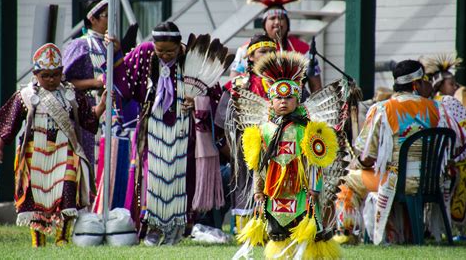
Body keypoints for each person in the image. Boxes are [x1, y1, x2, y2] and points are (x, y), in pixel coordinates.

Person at [106, 21, 225, 246]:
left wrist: (197, 101)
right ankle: (152, 227)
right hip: (153, 129)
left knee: (180, 179)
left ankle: (176, 228)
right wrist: (116, 54)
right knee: (153, 177)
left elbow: (213, 92)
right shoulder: (145, 53)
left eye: (170, 51)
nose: (165, 56)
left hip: (183, 130)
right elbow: (126, 85)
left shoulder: (190, 57)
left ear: (179, 47)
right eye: (160, 51)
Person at [333, 60, 466, 245]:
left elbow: (367, 157)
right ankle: (403, 234)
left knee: (346, 179)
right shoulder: (439, 109)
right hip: (433, 181)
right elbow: (459, 146)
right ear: (415, 84)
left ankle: (345, 232)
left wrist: (362, 163)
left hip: (395, 182)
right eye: (423, 81)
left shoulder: (382, 109)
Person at [0, 43, 106, 247]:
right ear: (36, 73)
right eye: (45, 75)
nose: (50, 79)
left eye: (55, 74)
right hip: (34, 152)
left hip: (65, 150)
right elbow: (8, 123)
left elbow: (88, 120)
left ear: (62, 72)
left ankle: (62, 238)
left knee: (67, 188)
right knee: (35, 194)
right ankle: (38, 240)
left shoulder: (71, 94)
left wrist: (101, 106)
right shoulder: (25, 96)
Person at [234, 51, 341, 259]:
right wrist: (258, 189)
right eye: (279, 98)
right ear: (271, 100)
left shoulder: (307, 129)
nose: (283, 102)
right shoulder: (263, 130)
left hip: (301, 189)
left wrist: (314, 187)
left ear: (298, 99)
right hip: (274, 190)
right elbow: (258, 164)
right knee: (278, 230)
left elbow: (314, 162)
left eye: (289, 98)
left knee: (305, 227)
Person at [63, 0, 138, 211]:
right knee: (89, 160)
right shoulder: (80, 45)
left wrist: (117, 52)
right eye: (106, 16)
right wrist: (97, 82)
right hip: (87, 112)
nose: (110, 21)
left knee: (113, 159)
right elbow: (64, 80)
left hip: (113, 114)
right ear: (92, 19)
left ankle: (109, 207)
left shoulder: (111, 45)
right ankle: (85, 211)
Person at [215, 34, 277, 232]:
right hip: (246, 152)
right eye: (263, 52)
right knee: (247, 190)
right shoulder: (238, 85)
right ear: (250, 56)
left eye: (272, 52)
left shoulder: (286, 85)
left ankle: (277, 228)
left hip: (280, 150)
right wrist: (233, 153)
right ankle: (249, 230)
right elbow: (222, 123)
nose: (268, 55)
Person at [230, 0, 322, 93]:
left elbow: (316, 87)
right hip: (255, 101)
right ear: (264, 23)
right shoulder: (248, 49)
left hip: (296, 102)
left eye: (282, 18)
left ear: (287, 23)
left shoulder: (302, 49)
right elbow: (234, 82)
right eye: (272, 18)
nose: (277, 22)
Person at [424, 53, 466, 241]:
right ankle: (458, 227)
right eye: (451, 84)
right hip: (453, 160)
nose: (455, 87)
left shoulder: (428, 104)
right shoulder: (448, 101)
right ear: (440, 85)